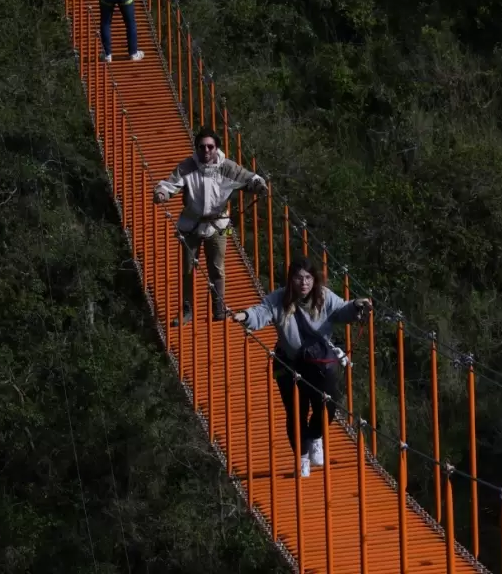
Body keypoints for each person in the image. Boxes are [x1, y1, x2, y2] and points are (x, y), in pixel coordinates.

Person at [233, 257, 371, 477]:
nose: (304, 283)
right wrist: (245, 316)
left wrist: (356, 306)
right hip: (288, 362)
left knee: (328, 403)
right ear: (291, 280)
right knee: (296, 411)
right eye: (298, 278)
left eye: (308, 278)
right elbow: (262, 312)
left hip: (318, 363)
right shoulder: (279, 299)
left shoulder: (324, 296)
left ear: (314, 280)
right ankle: (303, 457)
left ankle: (316, 436)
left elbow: (343, 311)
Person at [153, 129, 268, 324]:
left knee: (218, 267)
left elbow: (250, 178)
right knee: (188, 268)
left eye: (210, 146)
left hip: (220, 225)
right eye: (202, 146)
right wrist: (161, 193)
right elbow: (168, 184)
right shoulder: (187, 167)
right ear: (196, 148)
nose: (206, 150)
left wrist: (260, 185)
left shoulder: (228, 168)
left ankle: (219, 307)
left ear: (217, 148)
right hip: (190, 225)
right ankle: (187, 310)